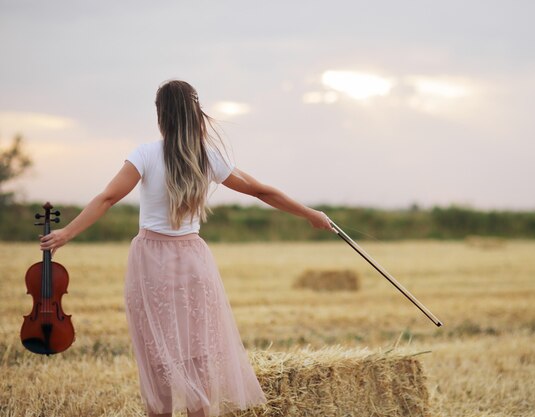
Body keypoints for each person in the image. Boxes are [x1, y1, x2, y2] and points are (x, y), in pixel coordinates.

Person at [39, 79, 334, 417]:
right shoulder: (207, 155)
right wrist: (310, 214)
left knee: (156, 353)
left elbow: (107, 197)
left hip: (151, 259)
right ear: (195, 112)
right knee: (197, 353)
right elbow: (261, 191)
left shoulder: (145, 154)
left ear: (161, 115)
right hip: (194, 259)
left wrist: (66, 234)